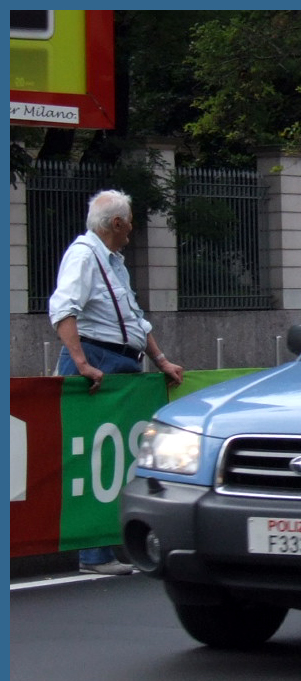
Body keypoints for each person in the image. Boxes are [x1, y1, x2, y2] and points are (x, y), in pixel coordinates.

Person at [49, 189, 185, 575]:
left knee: (120, 457)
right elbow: (63, 309)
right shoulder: (84, 255)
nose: (133, 229)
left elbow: (134, 318)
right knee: (92, 457)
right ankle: (92, 554)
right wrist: (81, 361)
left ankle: (112, 542)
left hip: (120, 360)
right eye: (130, 222)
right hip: (97, 358)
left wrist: (160, 360)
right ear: (117, 223)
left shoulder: (113, 262)